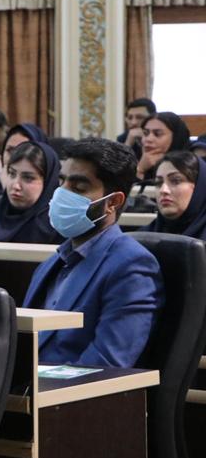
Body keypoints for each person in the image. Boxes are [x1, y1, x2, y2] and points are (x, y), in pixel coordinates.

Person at [25, 138, 164, 368]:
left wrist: (39, 384)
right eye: (62, 182)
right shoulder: (52, 262)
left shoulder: (132, 266)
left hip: (69, 388)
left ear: (113, 202)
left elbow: (108, 363)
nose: (62, 194)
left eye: (79, 188)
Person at [0, 141, 62, 244]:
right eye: (12, 174)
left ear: (48, 182)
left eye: (28, 178)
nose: (16, 186)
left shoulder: (59, 234)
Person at [144, 151, 206, 242]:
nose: (163, 190)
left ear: (199, 186)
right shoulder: (144, 237)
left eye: (175, 181)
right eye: (158, 183)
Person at [136, 112, 191, 182]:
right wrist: (140, 170)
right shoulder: (136, 161)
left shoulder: (192, 168)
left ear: (176, 138)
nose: (148, 139)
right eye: (145, 133)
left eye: (157, 134)